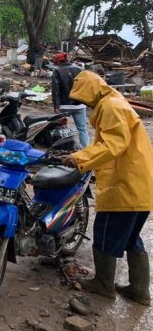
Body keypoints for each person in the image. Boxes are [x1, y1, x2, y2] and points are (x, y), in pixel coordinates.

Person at [62, 71, 153, 306]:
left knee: (104, 234)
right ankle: (139, 290)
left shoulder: (110, 106)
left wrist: (79, 157)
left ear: (90, 90)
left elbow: (112, 144)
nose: (84, 103)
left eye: (83, 97)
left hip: (124, 185)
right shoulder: (117, 101)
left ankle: (103, 285)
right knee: (132, 238)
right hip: (140, 186)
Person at [51, 52, 89, 148]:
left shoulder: (57, 71)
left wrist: (56, 106)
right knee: (82, 129)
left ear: (58, 61)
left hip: (64, 106)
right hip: (80, 105)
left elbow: (56, 90)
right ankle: (86, 150)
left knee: (62, 128)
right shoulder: (79, 69)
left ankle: (67, 148)